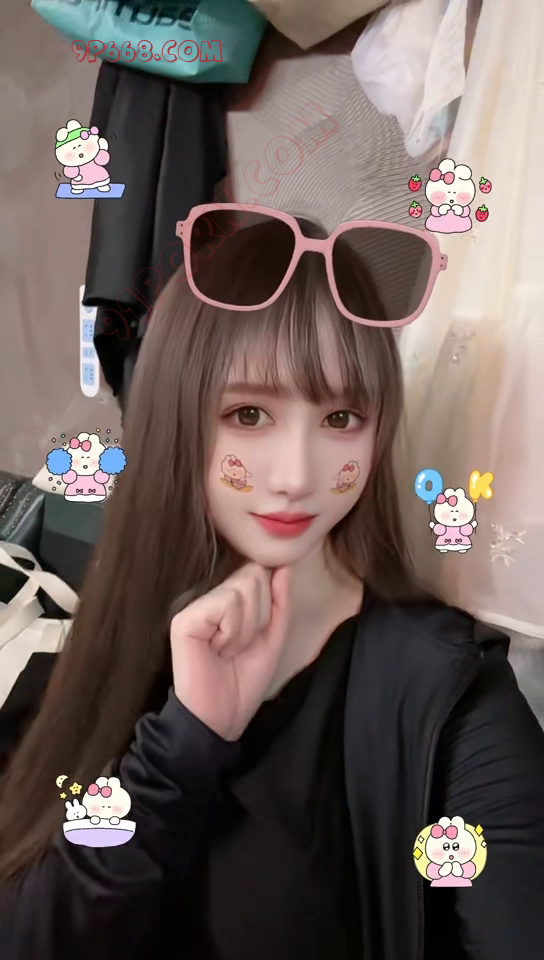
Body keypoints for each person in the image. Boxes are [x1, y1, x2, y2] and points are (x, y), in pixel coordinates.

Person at [0, 208, 543, 960]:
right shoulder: (101, 653)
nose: (295, 476)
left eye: (342, 417)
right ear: (178, 419)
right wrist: (183, 746)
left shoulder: (450, 697)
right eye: (249, 413)